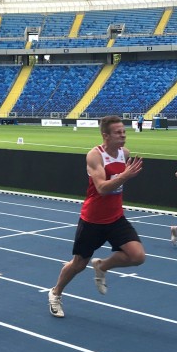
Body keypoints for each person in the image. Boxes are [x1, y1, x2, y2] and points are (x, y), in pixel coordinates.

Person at [48, 116, 145, 318]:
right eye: (118, 132)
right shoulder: (95, 155)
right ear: (105, 135)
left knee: (137, 256)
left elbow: (117, 184)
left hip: (116, 217)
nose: (123, 135)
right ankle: (55, 293)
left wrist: (124, 176)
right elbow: (101, 188)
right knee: (78, 264)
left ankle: (102, 266)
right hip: (93, 220)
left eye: (124, 131)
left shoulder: (124, 153)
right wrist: (125, 176)